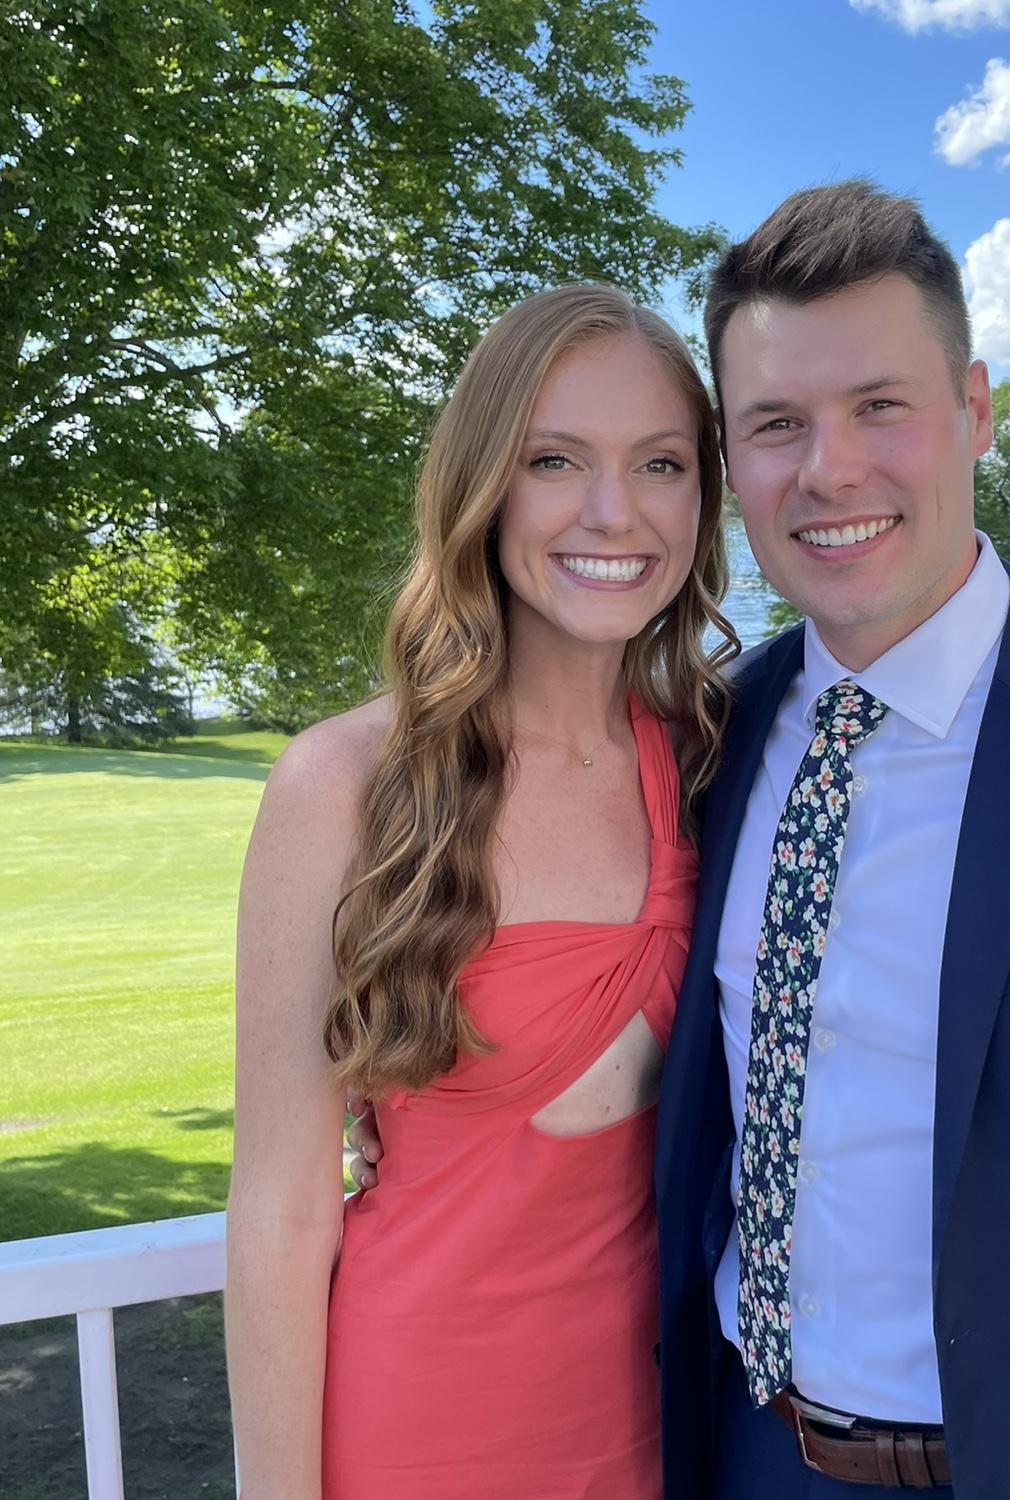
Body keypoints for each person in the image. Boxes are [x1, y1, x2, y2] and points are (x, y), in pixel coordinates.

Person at [350, 183, 1010, 1498]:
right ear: (733, 462)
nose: (830, 470)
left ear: (975, 410)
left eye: (880, 406)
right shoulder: (709, 741)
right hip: (748, 1453)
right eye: (776, 425)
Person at [226, 283, 736, 1500]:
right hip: (417, 1425)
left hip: (670, 1429)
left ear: (702, 497)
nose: (613, 511)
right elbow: (282, 1211)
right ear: (483, 486)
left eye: (661, 462)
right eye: (554, 459)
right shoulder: (344, 786)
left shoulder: (719, 759)